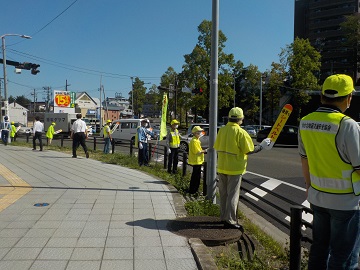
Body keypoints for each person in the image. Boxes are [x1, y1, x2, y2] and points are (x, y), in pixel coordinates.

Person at [298, 74, 360, 270]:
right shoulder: (346, 124)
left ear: (323, 95)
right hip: (345, 202)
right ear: (349, 97)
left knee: (319, 249)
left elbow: (304, 160)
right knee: (343, 256)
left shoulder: (305, 122)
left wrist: (310, 188)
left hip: (317, 197)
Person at [214, 107, 271, 229]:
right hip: (235, 168)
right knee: (232, 195)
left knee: (223, 194)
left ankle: (223, 217)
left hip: (222, 166)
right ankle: (230, 220)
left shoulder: (222, 130)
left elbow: (217, 146)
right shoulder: (241, 132)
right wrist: (261, 146)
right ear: (241, 119)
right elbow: (249, 150)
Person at [188, 126, 206, 194]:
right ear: (195, 133)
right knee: (196, 177)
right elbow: (197, 151)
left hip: (197, 161)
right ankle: (193, 190)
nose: (200, 133)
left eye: (200, 132)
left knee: (196, 176)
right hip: (196, 161)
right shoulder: (194, 141)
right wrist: (205, 151)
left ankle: (194, 190)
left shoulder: (196, 140)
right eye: (199, 132)